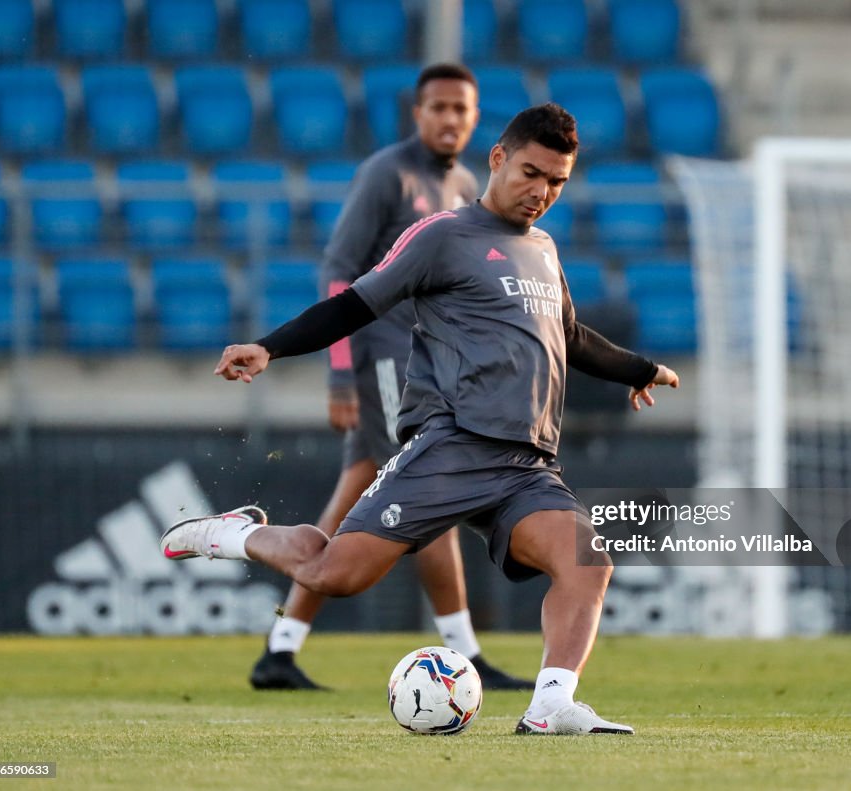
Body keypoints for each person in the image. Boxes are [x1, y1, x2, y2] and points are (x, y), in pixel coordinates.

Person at [162, 104, 680, 735]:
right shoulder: (441, 235)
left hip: (526, 463)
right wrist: (270, 346)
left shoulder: (543, 249)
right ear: (497, 158)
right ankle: (231, 533)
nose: (542, 192)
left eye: (557, 182)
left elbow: (569, 335)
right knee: (334, 573)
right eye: (531, 172)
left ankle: (549, 707)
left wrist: (638, 370)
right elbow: (355, 303)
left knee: (588, 559)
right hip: (450, 446)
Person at [250, 63, 532, 692]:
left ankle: (280, 649)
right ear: (418, 113)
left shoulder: (465, 183)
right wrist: (341, 375)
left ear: (476, 117)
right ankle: (466, 653)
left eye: (462, 108)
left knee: (353, 495)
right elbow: (339, 270)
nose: (450, 119)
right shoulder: (387, 173)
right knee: (426, 496)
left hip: (428, 367)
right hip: (384, 359)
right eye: (438, 107)